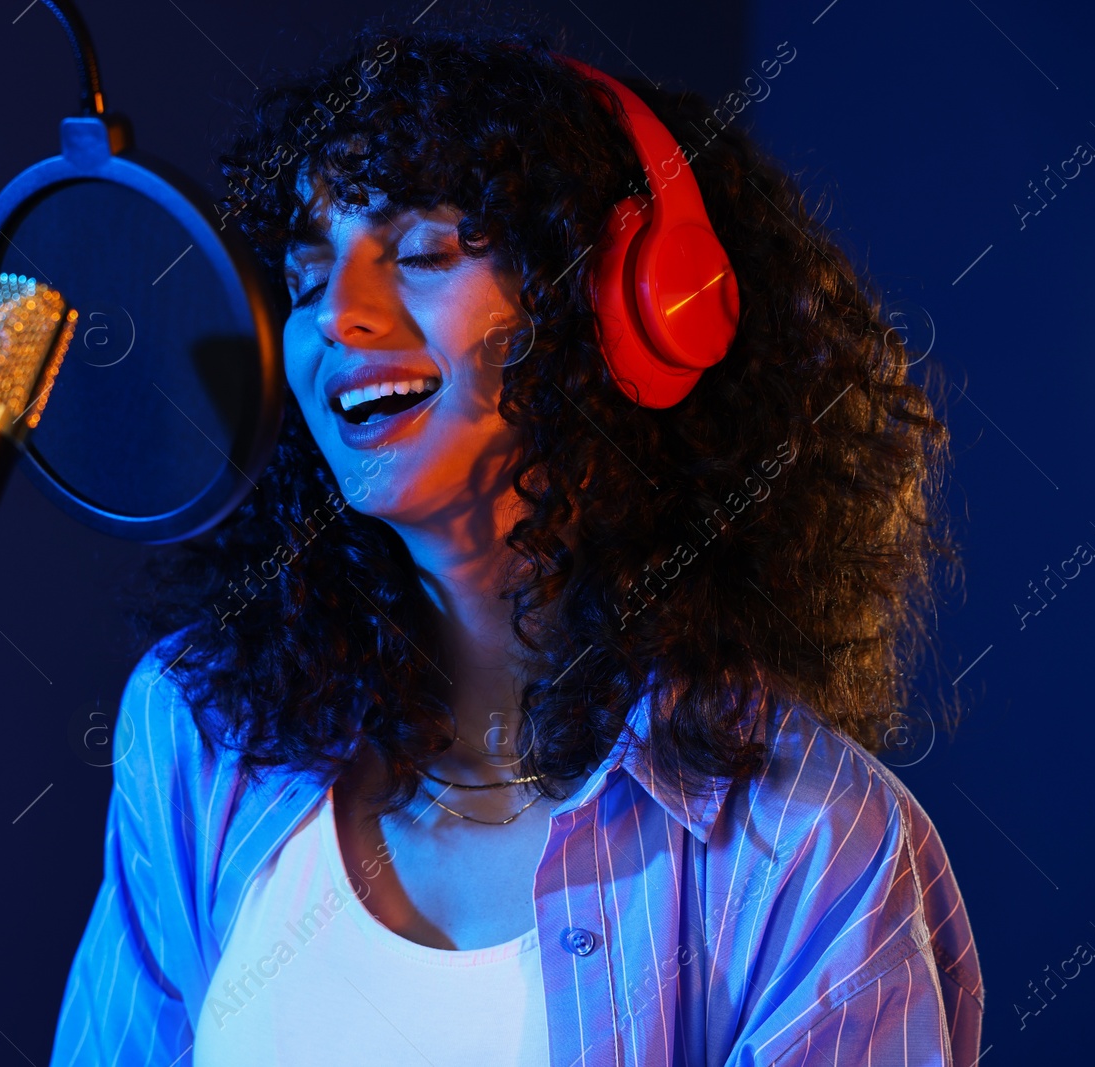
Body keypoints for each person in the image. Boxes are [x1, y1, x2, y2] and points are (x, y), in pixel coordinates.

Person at [50, 18, 980, 1066]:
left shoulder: (810, 848)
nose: (339, 316)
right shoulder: (200, 731)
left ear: (618, 311)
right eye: (306, 278)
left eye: (422, 253)